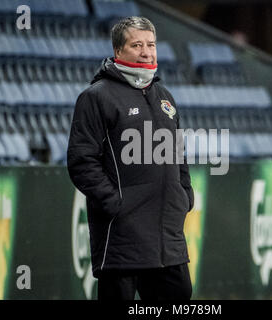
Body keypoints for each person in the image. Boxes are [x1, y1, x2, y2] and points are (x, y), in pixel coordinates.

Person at [67, 16, 195, 301]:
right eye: (137, 45)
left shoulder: (165, 97)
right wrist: (115, 203)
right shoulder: (96, 97)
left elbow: (178, 154)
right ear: (118, 51)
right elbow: (81, 161)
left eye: (151, 44)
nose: (147, 51)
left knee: (181, 295)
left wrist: (184, 194)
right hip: (123, 236)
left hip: (168, 236)